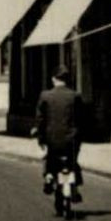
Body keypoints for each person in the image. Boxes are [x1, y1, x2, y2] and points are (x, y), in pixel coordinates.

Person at [34, 68, 84, 199]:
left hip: (52, 139)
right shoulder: (75, 96)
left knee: (49, 158)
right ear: (67, 80)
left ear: (53, 79)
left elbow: (40, 119)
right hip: (71, 139)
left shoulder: (45, 96)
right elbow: (81, 118)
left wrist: (40, 137)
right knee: (73, 161)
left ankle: (49, 176)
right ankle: (76, 186)